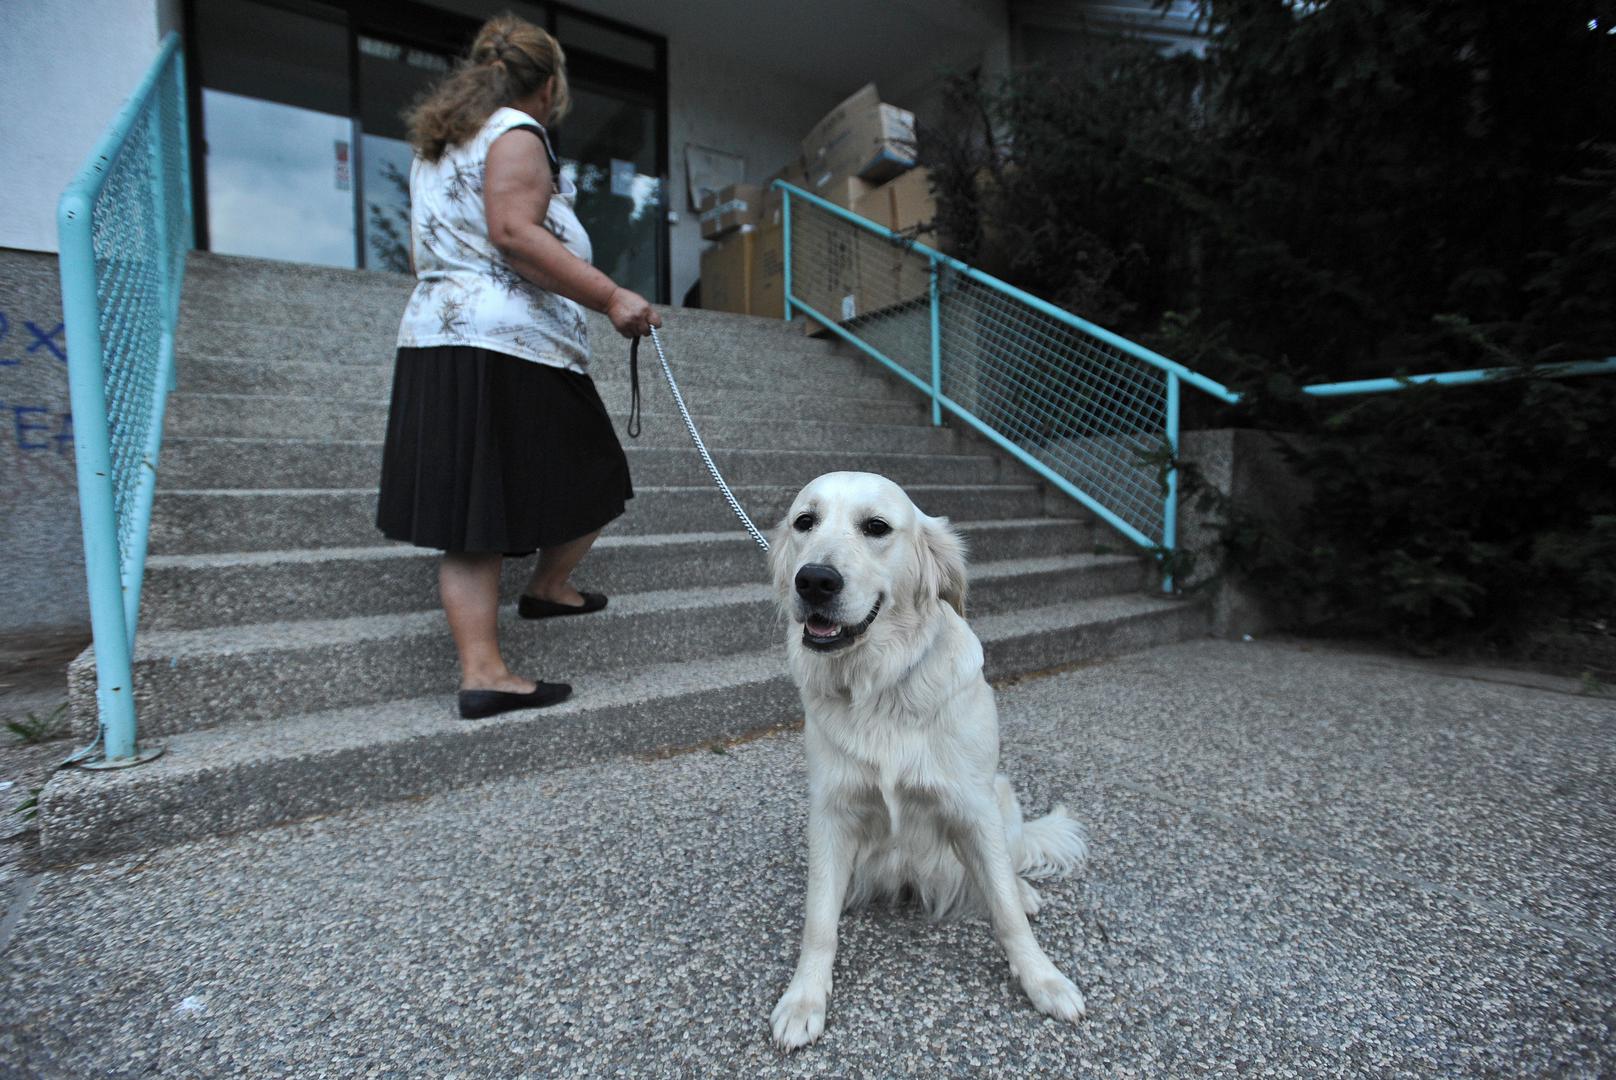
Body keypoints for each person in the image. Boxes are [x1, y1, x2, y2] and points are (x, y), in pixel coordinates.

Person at [376, 14, 660, 720]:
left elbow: (425, 252)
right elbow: (512, 231)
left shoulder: (439, 149)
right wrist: (612, 296)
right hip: (507, 344)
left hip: (442, 338)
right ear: (549, 84)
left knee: (472, 517)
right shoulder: (516, 132)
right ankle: (505, 645)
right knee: (598, 472)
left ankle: (531, 611)